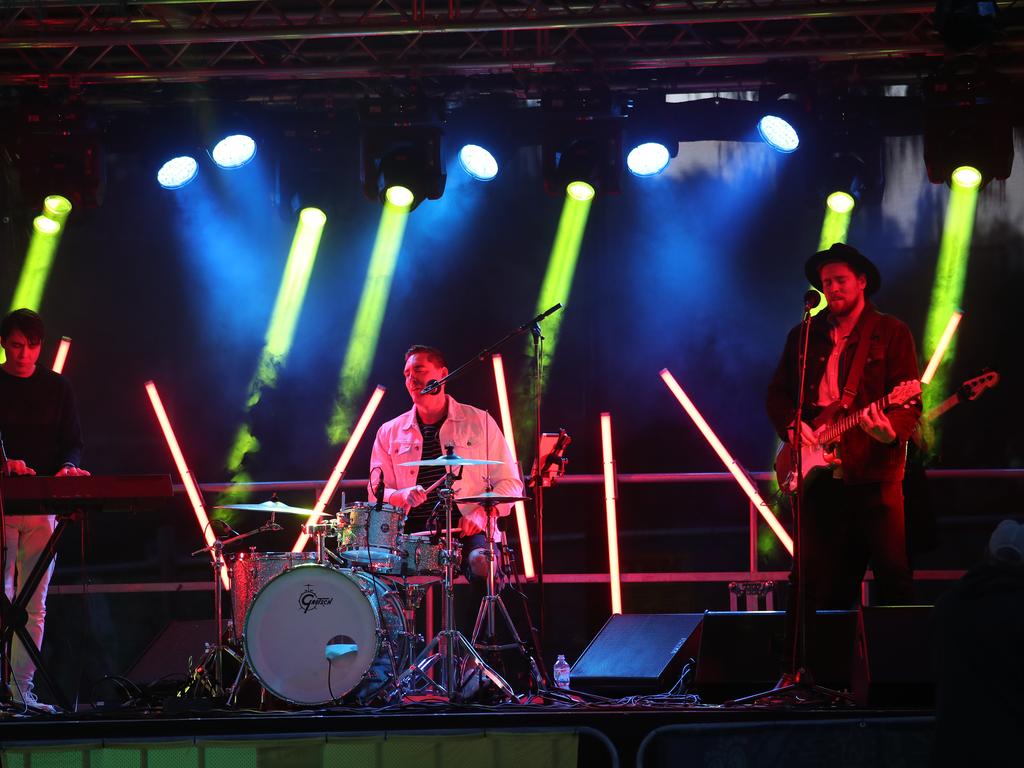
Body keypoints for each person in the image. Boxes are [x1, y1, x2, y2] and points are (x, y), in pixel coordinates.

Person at [766, 243, 920, 624]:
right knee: (813, 579)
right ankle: (807, 672)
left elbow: (908, 401)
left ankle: (901, 675)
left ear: (862, 282)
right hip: (819, 478)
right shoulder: (804, 334)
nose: (832, 288)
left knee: (893, 576)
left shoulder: (891, 332)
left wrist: (890, 433)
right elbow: (778, 393)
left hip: (874, 474)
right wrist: (791, 423)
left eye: (840, 280)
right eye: (826, 282)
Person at [368, 345, 523, 582]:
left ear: (442, 374)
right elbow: (375, 494)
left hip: (468, 529)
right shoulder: (389, 431)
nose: (411, 379)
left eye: (418, 370)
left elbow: (511, 484)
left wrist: (481, 515)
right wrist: (402, 495)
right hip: (411, 532)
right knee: (376, 574)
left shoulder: (479, 421)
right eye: (406, 374)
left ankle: (480, 620)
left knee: (484, 564)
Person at [0, 308, 89, 714]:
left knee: (34, 603)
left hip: (42, 506)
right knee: (3, 598)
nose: (24, 354)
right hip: (1, 504)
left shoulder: (58, 388)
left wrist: (69, 466)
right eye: (17, 346)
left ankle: (21, 693)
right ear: (4, 344)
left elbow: (73, 441)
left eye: (32, 346)